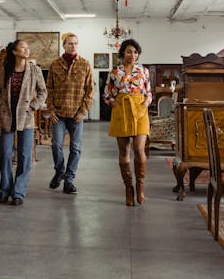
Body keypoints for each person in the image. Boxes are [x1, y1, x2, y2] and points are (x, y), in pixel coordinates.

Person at [0, 40, 47, 206]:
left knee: (25, 156)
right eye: (23, 47)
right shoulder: (6, 69)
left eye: (27, 47)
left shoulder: (35, 70)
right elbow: (1, 91)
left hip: (26, 117)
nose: (27, 49)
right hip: (7, 117)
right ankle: (5, 189)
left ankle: (18, 192)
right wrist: (2, 105)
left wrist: (33, 106)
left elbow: (43, 92)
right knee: (5, 154)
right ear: (14, 51)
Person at [103, 39, 152, 206]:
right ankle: (128, 188)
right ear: (123, 52)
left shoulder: (144, 71)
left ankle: (140, 186)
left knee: (139, 149)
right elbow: (107, 94)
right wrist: (115, 104)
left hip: (140, 111)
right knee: (124, 151)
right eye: (130, 51)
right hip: (122, 110)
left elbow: (149, 92)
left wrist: (145, 103)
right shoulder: (115, 72)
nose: (133, 55)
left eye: (136, 52)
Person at [45, 32, 94, 195]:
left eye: (75, 43)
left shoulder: (85, 64)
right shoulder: (55, 65)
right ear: (64, 45)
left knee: (76, 148)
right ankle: (59, 171)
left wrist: (83, 111)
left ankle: (69, 180)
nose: (73, 46)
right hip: (58, 113)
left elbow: (90, 91)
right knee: (56, 145)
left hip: (76, 115)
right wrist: (50, 109)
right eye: (70, 43)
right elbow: (49, 89)